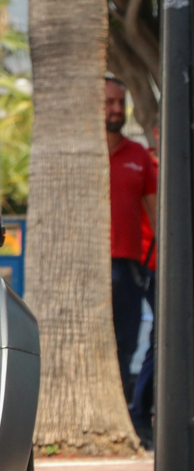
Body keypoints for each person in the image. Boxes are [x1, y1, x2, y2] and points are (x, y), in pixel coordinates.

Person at [106, 76, 158, 407]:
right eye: (108, 102)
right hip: (89, 268)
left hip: (129, 267)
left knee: (126, 343)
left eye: (119, 103)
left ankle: (132, 412)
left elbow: (156, 214)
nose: (115, 109)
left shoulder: (138, 155)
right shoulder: (79, 156)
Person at [130, 124, 160, 447]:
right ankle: (138, 413)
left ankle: (141, 411)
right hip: (141, 264)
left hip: (158, 266)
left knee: (158, 340)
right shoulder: (145, 163)